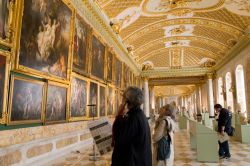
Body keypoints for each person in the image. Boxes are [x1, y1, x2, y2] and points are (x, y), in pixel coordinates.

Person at [111, 86, 152, 166]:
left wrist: (119, 115)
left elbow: (119, 138)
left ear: (127, 101)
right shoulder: (140, 114)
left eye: (123, 97)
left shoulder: (133, 118)